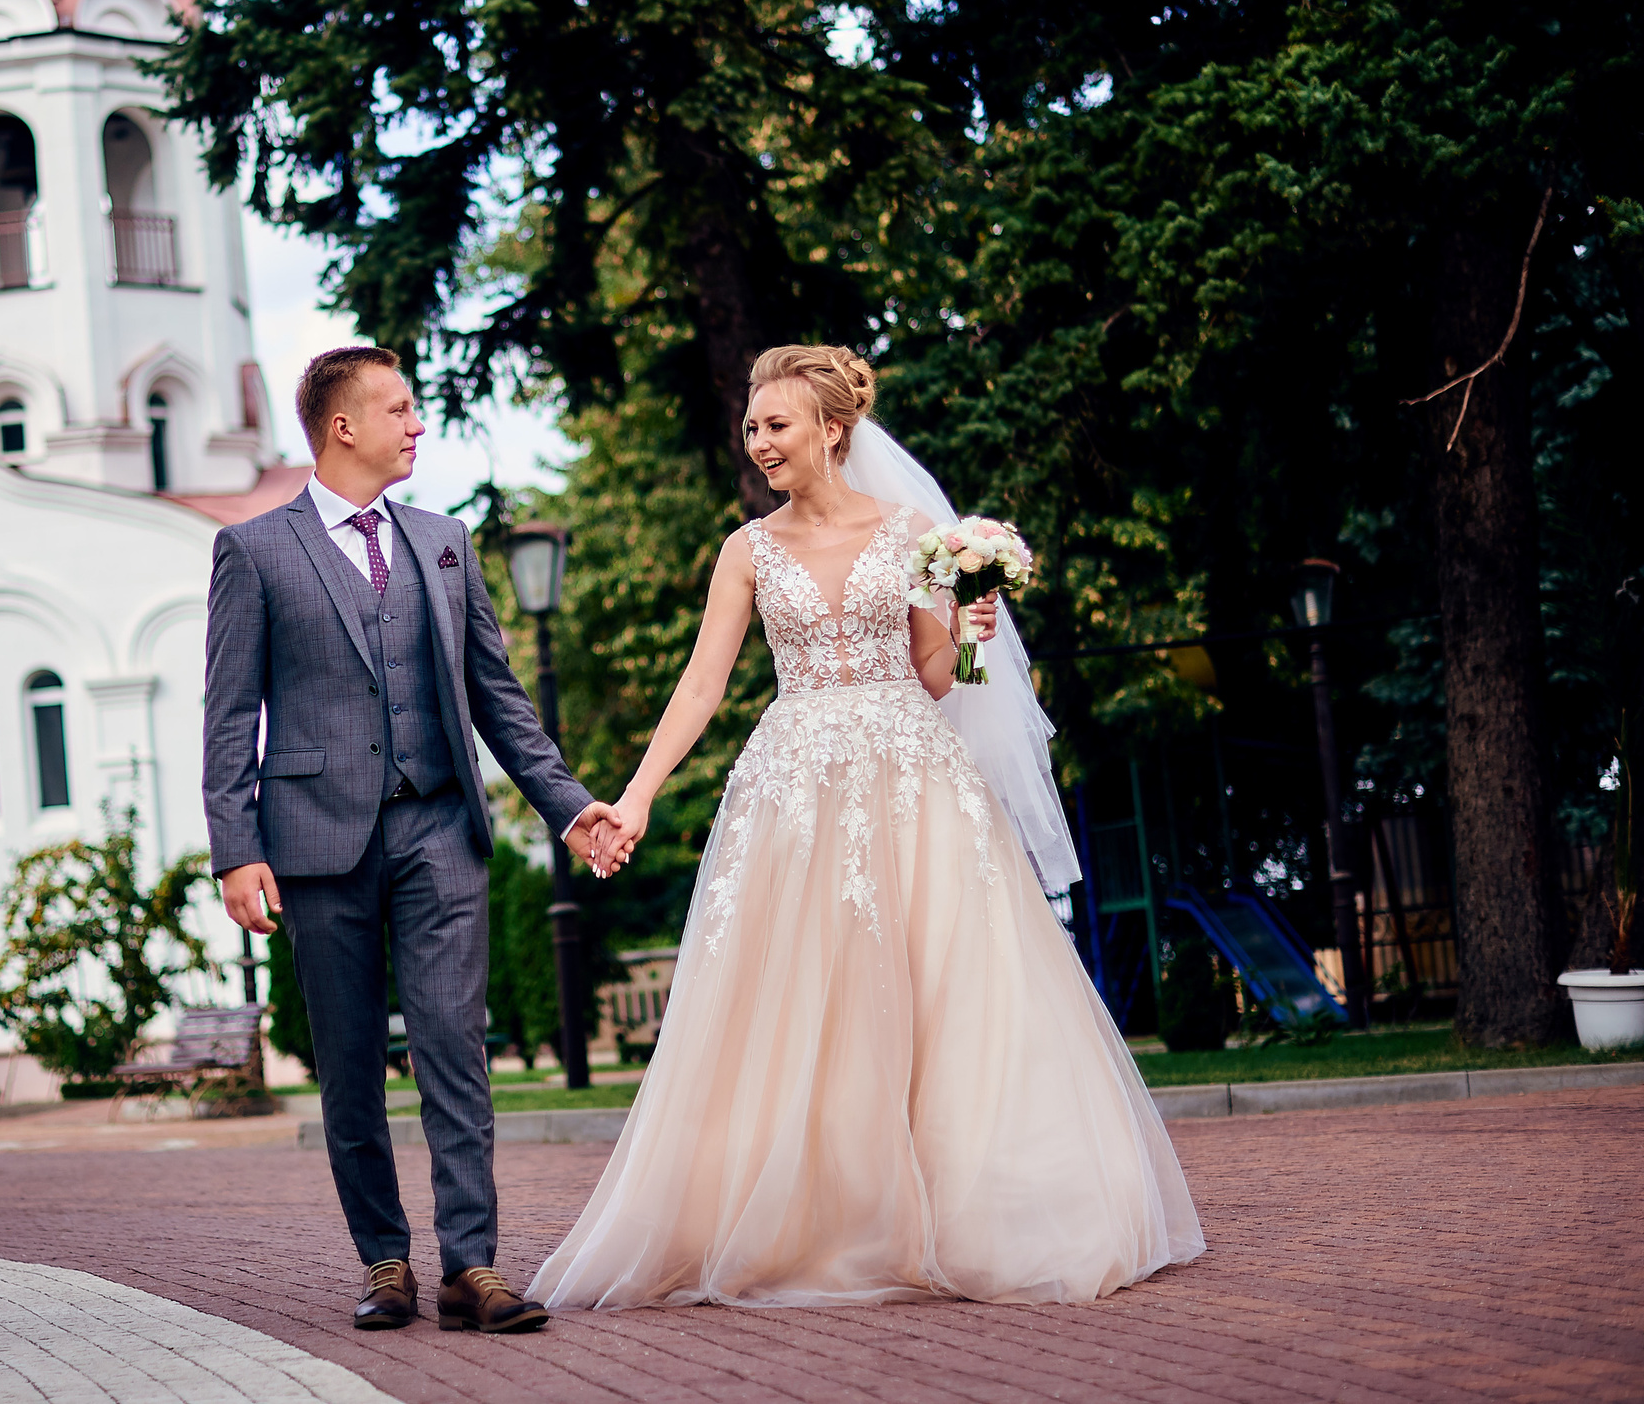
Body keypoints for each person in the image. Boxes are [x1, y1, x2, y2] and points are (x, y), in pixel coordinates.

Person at [530, 345, 1206, 1308]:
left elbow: (946, 678)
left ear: (831, 430)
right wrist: (633, 795)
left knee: (942, 996)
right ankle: (826, 1215)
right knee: (809, 996)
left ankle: (966, 1212)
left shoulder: (913, 534)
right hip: (795, 790)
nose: (759, 441)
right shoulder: (747, 550)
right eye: (752, 426)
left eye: (777, 424)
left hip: (913, 782)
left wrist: (977, 625)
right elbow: (703, 682)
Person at [204, 345, 623, 1334]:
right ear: (341, 425)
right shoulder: (255, 550)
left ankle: (470, 1265)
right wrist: (234, 846)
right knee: (348, 1061)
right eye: (398, 407)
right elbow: (228, 715)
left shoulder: (444, 541)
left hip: (439, 823)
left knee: (454, 1049)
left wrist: (568, 802)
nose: (416, 422)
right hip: (312, 840)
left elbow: (498, 699)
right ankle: (384, 1258)